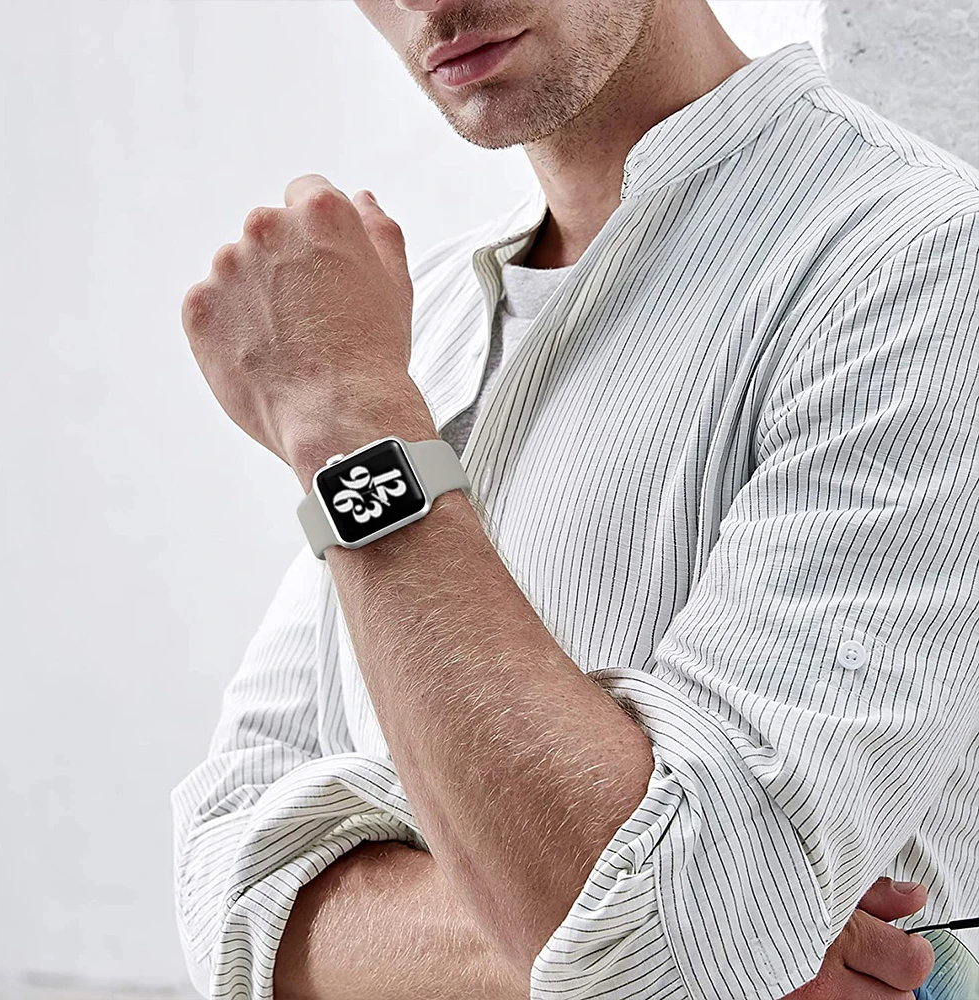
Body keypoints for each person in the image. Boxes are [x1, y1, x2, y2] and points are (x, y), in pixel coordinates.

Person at [172, 1, 979, 998]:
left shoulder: (919, 263)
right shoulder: (422, 322)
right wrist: (670, 947)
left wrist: (349, 424)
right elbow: (221, 878)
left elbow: (673, 939)